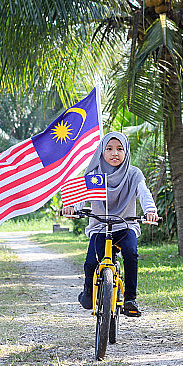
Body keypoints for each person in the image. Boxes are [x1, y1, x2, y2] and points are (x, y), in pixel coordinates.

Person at [62, 132, 159, 317]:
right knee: (91, 262)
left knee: (131, 253)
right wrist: (72, 208)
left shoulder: (133, 174)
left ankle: (130, 299)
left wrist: (150, 210)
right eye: (109, 149)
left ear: (126, 151)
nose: (115, 153)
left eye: (120, 149)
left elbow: (144, 193)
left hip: (125, 226)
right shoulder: (94, 174)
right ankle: (89, 293)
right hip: (100, 227)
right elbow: (81, 197)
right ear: (102, 151)